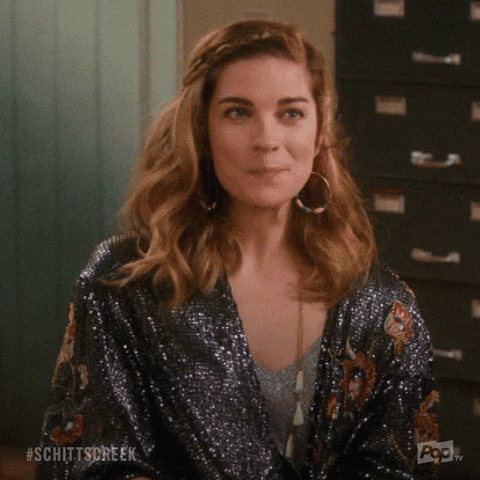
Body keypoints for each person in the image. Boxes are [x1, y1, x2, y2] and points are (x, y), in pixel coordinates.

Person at [36, 20, 439, 480]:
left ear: (319, 133)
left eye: (291, 113)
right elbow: (82, 457)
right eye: (237, 113)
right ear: (202, 131)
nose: (266, 140)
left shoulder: (384, 310)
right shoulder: (122, 285)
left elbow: (414, 461)